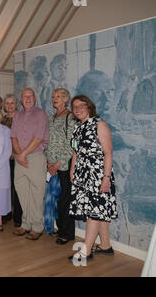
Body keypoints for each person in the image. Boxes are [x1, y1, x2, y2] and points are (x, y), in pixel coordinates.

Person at [68, 95, 117, 262]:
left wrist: (106, 177)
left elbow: (108, 152)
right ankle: (105, 245)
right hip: (82, 174)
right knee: (98, 211)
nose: (78, 109)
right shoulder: (77, 127)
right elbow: (76, 151)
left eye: (82, 105)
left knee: (94, 212)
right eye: (75, 107)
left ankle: (86, 251)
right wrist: (72, 169)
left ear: (89, 107)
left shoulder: (99, 124)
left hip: (98, 173)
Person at [11, 88, 49, 241]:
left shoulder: (41, 114)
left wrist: (23, 154)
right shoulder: (17, 115)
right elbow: (13, 136)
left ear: (34, 98)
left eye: (30, 96)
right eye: (24, 96)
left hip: (35, 157)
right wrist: (20, 154)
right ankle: (26, 224)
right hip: (20, 159)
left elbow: (39, 138)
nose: (27, 98)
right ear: (21, 99)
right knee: (22, 192)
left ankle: (37, 227)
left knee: (37, 194)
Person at [45, 88, 75, 245]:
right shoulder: (51, 118)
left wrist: (58, 163)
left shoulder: (71, 118)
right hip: (51, 167)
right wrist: (49, 162)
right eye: (53, 96)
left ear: (65, 99)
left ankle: (67, 233)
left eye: (58, 96)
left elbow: (72, 144)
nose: (54, 99)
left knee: (65, 200)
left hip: (64, 166)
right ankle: (59, 227)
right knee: (55, 199)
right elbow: (47, 142)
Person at [1, 94, 22, 228]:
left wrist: (15, 152)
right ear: (4, 105)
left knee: (18, 188)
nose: (9, 105)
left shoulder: (21, 119)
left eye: (12, 103)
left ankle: (18, 217)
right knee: (5, 187)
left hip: (17, 158)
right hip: (3, 159)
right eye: (7, 103)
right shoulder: (1, 120)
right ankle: (6, 214)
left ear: (16, 104)